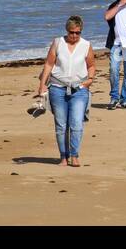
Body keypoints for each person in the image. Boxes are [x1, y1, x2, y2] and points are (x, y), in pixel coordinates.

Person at [35, 16, 96, 166]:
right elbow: (49, 64)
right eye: (71, 32)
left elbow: (91, 65)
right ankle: (63, 156)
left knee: (76, 124)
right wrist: (42, 84)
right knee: (61, 125)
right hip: (57, 88)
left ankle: (74, 155)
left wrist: (90, 79)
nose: (74, 35)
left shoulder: (86, 45)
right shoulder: (57, 43)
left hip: (79, 89)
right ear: (66, 30)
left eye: (78, 32)